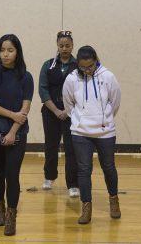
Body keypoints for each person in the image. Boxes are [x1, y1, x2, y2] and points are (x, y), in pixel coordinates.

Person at [62, 45, 121, 224]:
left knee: (109, 167)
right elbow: (68, 103)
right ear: (78, 64)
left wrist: (106, 118)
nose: (87, 70)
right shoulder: (71, 79)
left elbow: (115, 100)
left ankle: (114, 200)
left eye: (90, 66)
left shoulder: (108, 76)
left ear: (96, 61)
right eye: (83, 67)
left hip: (105, 132)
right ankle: (86, 207)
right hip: (81, 133)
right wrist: (78, 120)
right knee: (84, 170)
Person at [0, 34, 34, 236]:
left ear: (17, 52)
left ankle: (12, 216)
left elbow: (25, 108)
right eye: (2, 50)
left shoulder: (26, 76)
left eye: (10, 50)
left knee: (12, 175)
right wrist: (12, 115)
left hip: (17, 132)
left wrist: (13, 130)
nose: (5, 54)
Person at [39, 30, 79, 196]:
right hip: (51, 112)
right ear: (57, 45)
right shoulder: (48, 65)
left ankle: (73, 184)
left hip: (73, 113)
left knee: (71, 148)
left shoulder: (78, 66)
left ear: (72, 46)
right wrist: (56, 110)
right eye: (61, 45)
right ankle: (49, 176)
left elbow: (81, 91)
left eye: (67, 45)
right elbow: (43, 89)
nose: (64, 48)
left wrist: (68, 110)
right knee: (51, 146)